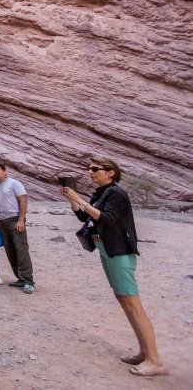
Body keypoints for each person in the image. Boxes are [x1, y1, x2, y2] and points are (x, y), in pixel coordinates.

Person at [61, 158, 168, 378]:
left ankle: (155, 361)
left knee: (133, 304)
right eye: (90, 169)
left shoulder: (117, 194)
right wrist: (73, 201)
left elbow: (107, 219)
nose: (90, 172)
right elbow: (85, 216)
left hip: (119, 253)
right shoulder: (101, 193)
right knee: (125, 302)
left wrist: (79, 200)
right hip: (107, 251)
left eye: (95, 169)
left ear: (111, 173)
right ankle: (144, 352)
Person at [0, 162, 35, 294]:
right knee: (10, 250)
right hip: (3, 222)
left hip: (15, 220)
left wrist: (21, 220)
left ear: (5, 171)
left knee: (21, 250)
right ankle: (20, 278)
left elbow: (23, 201)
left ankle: (28, 281)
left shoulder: (14, 184)